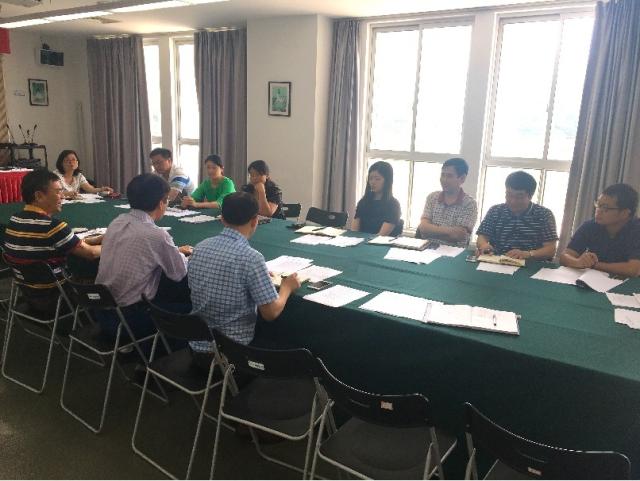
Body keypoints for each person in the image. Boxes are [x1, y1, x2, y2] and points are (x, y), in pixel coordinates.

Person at [188, 192, 301, 353]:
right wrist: (286, 288)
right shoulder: (251, 258)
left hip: (197, 343)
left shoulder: (200, 247)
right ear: (255, 220)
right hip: (233, 350)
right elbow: (270, 313)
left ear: (222, 219)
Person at [95, 173, 193, 340]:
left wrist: (174, 251)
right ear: (161, 203)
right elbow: (179, 273)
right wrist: (185, 256)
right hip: (132, 317)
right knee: (195, 304)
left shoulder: (117, 221)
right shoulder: (157, 235)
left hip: (101, 309)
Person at [3, 169, 101, 315]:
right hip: (59, 298)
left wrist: (95, 239)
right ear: (39, 196)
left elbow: (63, 243)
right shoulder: (53, 227)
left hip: (29, 295)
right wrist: (114, 242)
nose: (63, 196)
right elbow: (91, 254)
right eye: (58, 191)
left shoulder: (14, 219)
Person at [560, 183, 640, 278]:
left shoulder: (636, 229)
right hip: (594, 279)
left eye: (605, 208)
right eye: (598, 205)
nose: (598, 210)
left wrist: (593, 265)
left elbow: (633, 269)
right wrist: (578, 262)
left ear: (625, 213)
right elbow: (565, 256)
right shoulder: (590, 225)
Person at [476, 171, 558, 260]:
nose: (513, 201)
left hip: (530, 263)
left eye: (519, 197)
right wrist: (484, 245)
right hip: (497, 260)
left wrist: (528, 254)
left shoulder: (544, 215)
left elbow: (551, 249)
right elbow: (482, 236)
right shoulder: (495, 211)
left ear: (530, 196)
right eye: (509, 195)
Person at [417, 158, 478, 247]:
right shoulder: (432, 197)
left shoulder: (469, 204)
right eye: (442, 175)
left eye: (449, 176)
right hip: (427, 248)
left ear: (462, 178)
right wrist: (450, 231)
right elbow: (423, 228)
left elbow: (459, 236)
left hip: (454, 252)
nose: (444, 180)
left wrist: (432, 230)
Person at [352, 161, 402, 236]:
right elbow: (354, 231)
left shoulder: (393, 205)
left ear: (387, 181)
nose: (373, 182)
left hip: (379, 242)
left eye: (377, 179)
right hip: (360, 241)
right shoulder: (363, 202)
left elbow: (381, 235)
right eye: (370, 178)